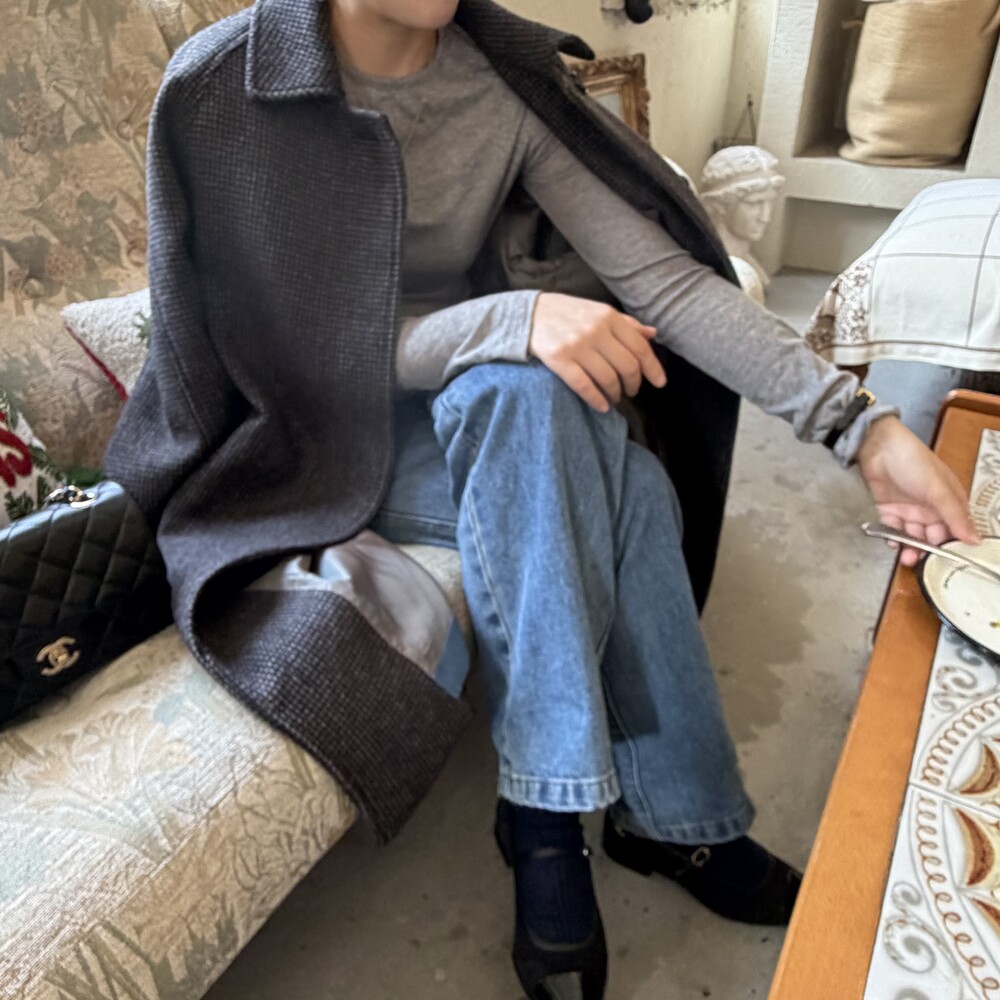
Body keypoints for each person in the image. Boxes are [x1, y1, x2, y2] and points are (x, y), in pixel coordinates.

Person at [103, 1, 978, 997]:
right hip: (306, 442)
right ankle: (633, 819)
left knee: (541, 406)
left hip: (471, 417)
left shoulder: (498, 78)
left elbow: (664, 283)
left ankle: (549, 815)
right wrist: (503, 320)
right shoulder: (225, 90)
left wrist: (864, 430)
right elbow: (276, 356)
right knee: (590, 448)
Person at [700, 145, 785, 291]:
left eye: (770, 202)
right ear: (719, 204)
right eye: (754, 203)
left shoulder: (746, 263)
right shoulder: (720, 273)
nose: (765, 217)